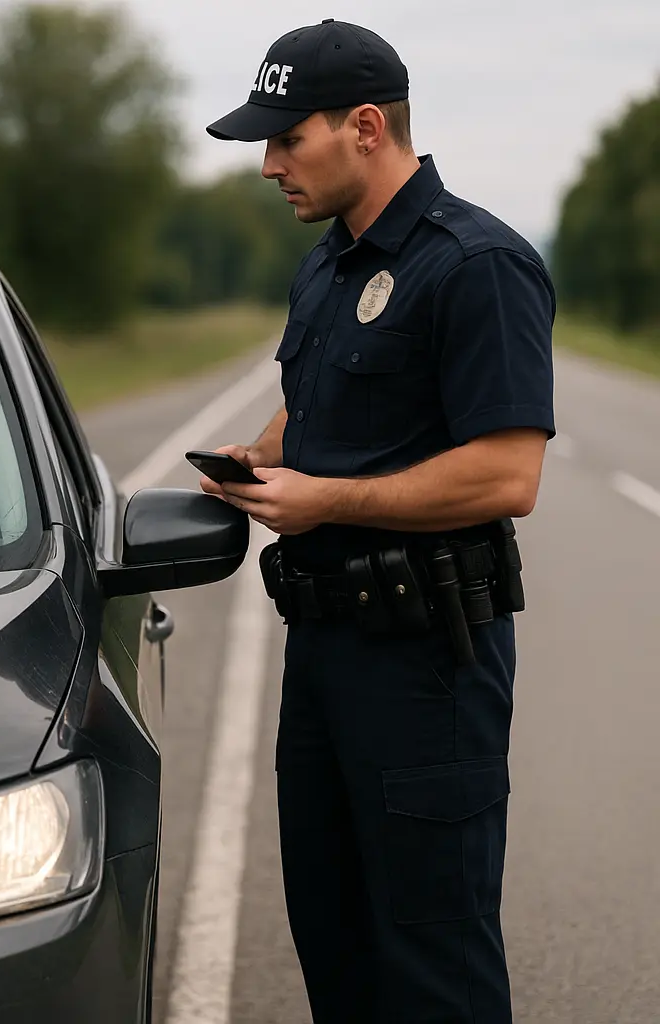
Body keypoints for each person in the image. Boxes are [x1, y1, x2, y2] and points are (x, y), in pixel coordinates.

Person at [199, 19, 555, 1024]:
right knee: (336, 938)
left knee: (432, 957)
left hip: (427, 663)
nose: (269, 165)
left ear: (365, 125)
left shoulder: (476, 263)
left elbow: (507, 471)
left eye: (285, 140)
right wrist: (263, 457)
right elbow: (315, 405)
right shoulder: (327, 265)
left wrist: (327, 499)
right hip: (323, 652)